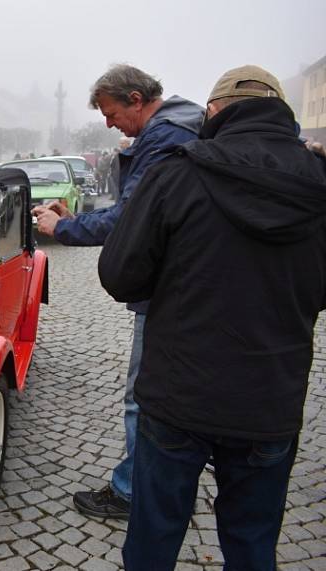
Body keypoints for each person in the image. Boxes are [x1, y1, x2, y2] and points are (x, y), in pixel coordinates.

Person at [98, 65, 326, 570]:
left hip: (179, 394)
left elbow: (119, 274)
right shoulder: (319, 182)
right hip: (270, 399)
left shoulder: (177, 171)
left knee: (154, 539)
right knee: (251, 543)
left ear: (216, 111)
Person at [32, 64, 203, 520]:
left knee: (142, 395)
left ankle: (132, 492)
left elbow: (131, 220)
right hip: (186, 282)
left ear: (135, 98)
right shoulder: (183, 126)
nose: (109, 124)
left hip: (169, 288)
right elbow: (132, 206)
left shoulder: (165, 139)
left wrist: (64, 226)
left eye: (111, 113)